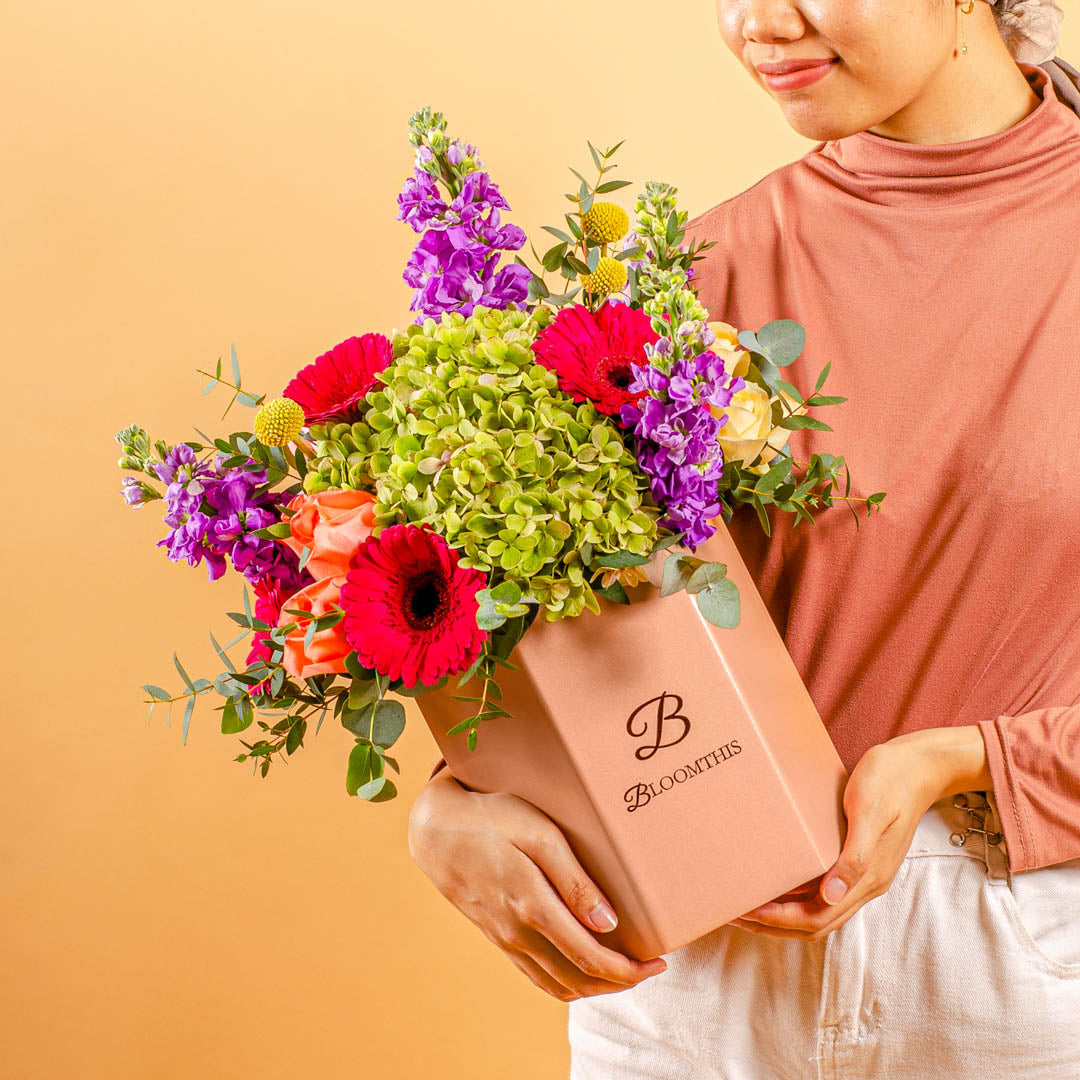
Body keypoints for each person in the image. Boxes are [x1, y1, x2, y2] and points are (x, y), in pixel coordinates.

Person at [407, 0, 1080, 1074]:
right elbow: (571, 646)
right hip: (695, 966)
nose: (759, 22)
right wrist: (451, 812)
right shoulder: (684, 284)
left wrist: (954, 763)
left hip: (1011, 958)